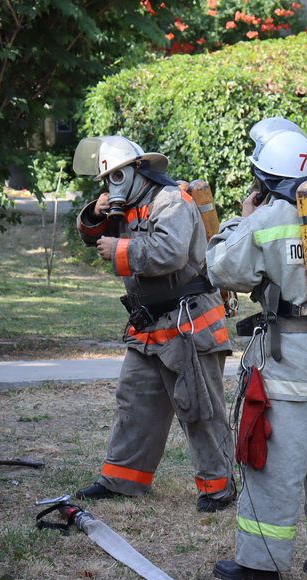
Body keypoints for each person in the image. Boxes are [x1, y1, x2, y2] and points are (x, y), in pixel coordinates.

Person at [205, 119, 307, 580]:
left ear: (262, 176)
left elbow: (223, 269)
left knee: (274, 466)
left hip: (289, 365)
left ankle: (261, 564)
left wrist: (240, 218)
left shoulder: (267, 219)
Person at [70, 135, 236, 513]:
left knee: (199, 408)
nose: (112, 184)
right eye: (107, 179)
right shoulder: (127, 206)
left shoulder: (171, 201)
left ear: (137, 170)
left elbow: (170, 253)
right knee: (135, 403)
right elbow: (90, 235)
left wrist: (121, 250)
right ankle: (122, 481)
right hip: (148, 326)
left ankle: (218, 488)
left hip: (189, 323)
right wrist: (94, 214)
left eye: (117, 176)